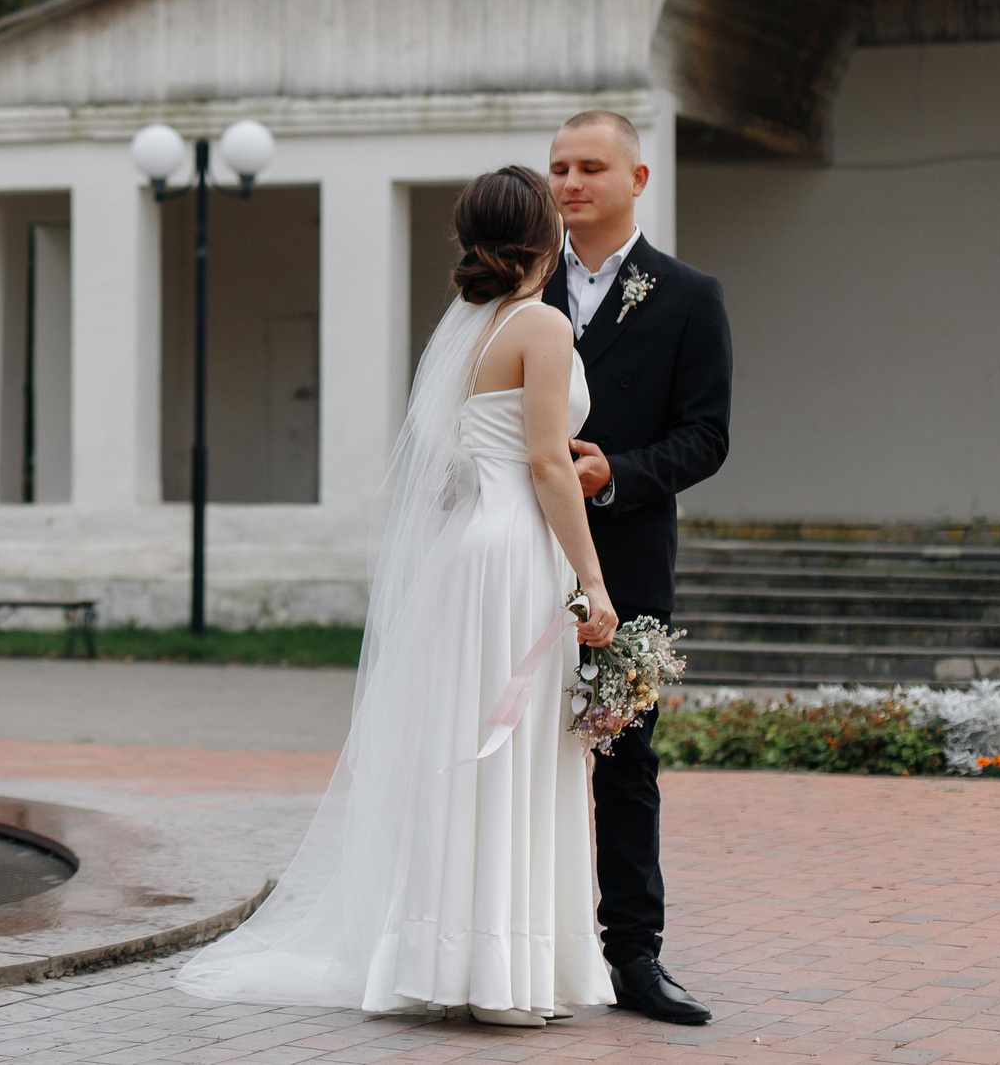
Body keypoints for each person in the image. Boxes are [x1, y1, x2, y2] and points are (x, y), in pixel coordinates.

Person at [176, 165, 619, 1025]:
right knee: (513, 751)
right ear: (546, 237)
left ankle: (447, 957)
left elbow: (464, 459)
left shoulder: (471, 329)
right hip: (517, 550)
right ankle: (501, 973)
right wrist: (593, 579)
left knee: (466, 744)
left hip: (468, 554)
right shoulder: (542, 324)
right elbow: (542, 462)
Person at [543, 110, 731, 1026]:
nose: (570, 183)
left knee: (623, 759)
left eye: (589, 166)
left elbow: (707, 436)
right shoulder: (518, 285)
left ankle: (635, 958)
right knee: (513, 751)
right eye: (558, 167)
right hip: (520, 559)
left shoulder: (689, 295)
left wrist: (616, 470)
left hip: (626, 564)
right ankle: (519, 941)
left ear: (638, 178)